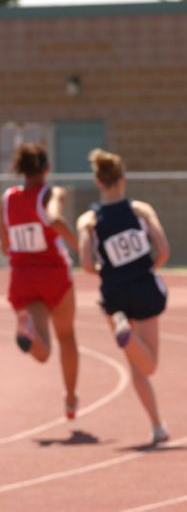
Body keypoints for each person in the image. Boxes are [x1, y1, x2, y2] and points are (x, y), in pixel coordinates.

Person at [77, 149, 170, 444]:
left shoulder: (89, 220)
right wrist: (148, 268)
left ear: (99, 183)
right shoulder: (140, 210)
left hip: (113, 292)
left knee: (135, 364)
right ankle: (156, 426)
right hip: (143, 286)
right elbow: (164, 250)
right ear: (123, 180)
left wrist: (108, 273)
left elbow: (87, 264)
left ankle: (157, 425)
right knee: (149, 365)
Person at [1, 143, 80, 419]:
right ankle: (70, 400)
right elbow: (56, 219)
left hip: (22, 277)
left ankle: (28, 332)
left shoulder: (7, 199)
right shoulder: (49, 193)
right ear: (46, 169)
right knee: (66, 336)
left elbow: (5, 244)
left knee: (43, 350)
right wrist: (80, 247)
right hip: (53, 274)